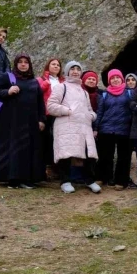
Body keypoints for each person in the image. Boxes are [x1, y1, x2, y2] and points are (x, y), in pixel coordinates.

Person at [0, 53, 45, 189]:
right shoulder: (7, 77)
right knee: (13, 149)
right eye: (20, 62)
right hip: (11, 122)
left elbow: (40, 102)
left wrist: (41, 119)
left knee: (28, 150)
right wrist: (7, 91)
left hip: (30, 122)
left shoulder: (34, 81)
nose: (23, 64)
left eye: (26, 62)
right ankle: (12, 180)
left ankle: (26, 179)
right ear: (16, 64)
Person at [47, 62, 101, 194]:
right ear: (67, 71)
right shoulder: (61, 87)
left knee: (89, 154)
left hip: (84, 127)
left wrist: (91, 116)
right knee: (66, 153)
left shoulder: (84, 92)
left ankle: (89, 180)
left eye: (78, 69)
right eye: (72, 69)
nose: (75, 71)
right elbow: (51, 105)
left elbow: (90, 109)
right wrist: (68, 110)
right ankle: (65, 181)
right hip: (66, 125)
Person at [94, 69, 132, 190]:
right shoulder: (104, 94)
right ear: (109, 81)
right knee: (105, 155)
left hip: (124, 128)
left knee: (123, 156)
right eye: (112, 78)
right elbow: (100, 112)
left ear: (122, 79)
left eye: (118, 77)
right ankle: (102, 177)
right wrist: (96, 128)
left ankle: (121, 181)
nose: (115, 80)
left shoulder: (129, 93)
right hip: (106, 128)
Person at [36, 58, 64, 175]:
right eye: (53, 64)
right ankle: (44, 168)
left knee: (58, 140)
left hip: (59, 114)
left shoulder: (63, 81)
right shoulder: (40, 79)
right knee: (45, 140)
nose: (56, 66)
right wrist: (45, 84)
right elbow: (37, 94)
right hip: (46, 114)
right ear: (48, 66)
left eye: (58, 65)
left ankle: (56, 167)